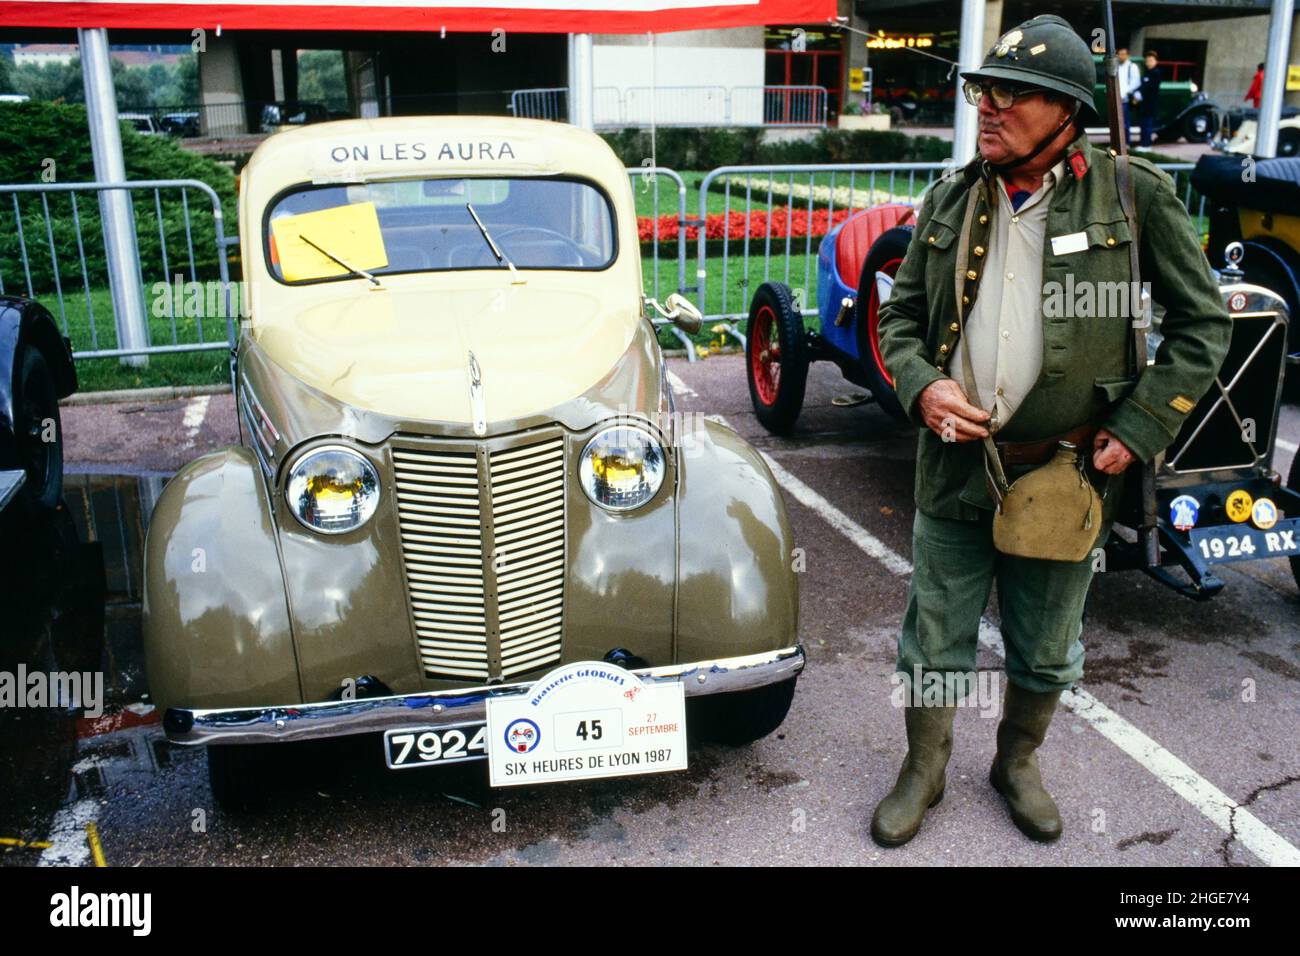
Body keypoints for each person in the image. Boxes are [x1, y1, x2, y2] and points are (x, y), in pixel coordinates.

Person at [871, 14, 1231, 848]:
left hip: (1066, 472)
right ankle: (923, 767)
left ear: (1067, 110)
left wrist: (1139, 426)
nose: (989, 108)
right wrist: (923, 389)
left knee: (1046, 644)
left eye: (1013, 94)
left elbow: (1202, 326)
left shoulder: (1134, 197)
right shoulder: (952, 196)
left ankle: (1017, 763)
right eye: (983, 92)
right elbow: (901, 320)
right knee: (933, 637)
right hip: (957, 466)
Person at [1116, 47, 1141, 146]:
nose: (1120, 56)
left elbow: (1136, 83)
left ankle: (1126, 143)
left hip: (1125, 99)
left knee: (1124, 123)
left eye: (1123, 54)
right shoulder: (1117, 66)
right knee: (1116, 123)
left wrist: (1124, 93)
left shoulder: (1132, 67)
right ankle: (1117, 143)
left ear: (1127, 55)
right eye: (1119, 54)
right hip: (1116, 98)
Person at [1138, 50, 1162, 146]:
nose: (1149, 63)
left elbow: (1151, 88)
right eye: (1147, 61)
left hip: (1150, 104)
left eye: (1151, 60)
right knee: (1143, 125)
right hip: (1144, 104)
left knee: (1147, 125)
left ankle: (1147, 144)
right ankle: (1143, 143)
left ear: (1156, 61)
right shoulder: (1147, 72)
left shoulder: (1156, 73)